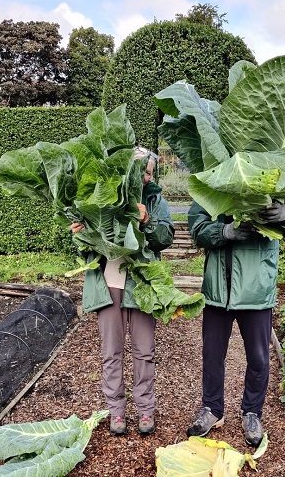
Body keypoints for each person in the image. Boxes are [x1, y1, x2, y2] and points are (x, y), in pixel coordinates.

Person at [186, 200, 285, 446]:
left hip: (257, 289)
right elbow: (197, 228)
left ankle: (252, 413)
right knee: (211, 355)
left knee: (259, 358)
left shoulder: (275, 175)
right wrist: (224, 232)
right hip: (217, 290)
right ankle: (212, 409)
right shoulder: (214, 178)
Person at [71, 146, 174, 437]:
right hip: (108, 284)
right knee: (111, 351)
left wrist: (147, 221)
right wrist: (80, 234)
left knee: (144, 351)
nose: (144, 177)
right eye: (139, 170)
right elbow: (86, 250)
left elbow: (165, 237)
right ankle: (116, 411)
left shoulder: (154, 199)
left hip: (142, 282)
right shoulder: (102, 193)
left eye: (149, 172)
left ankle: (145, 410)